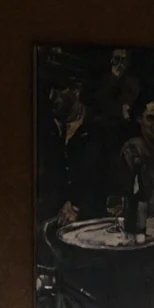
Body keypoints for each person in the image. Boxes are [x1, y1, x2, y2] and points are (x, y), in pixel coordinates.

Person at [37, 72, 111, 228]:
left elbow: (101, 179)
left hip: (91, 217)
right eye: (49, 89)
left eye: (59, 89)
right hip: (51, 213)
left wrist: (77, 206)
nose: (51, 96)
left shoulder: (99, 128)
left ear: (76, 91)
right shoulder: (45, 127)